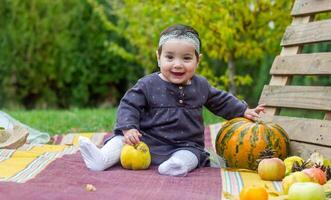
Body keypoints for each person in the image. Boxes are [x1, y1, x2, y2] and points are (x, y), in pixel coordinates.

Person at [79, 24, 265, 176]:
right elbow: (129, 105)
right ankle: (101, 159)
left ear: (197, 61)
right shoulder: (147, 84)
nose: (177, 64)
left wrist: (243, 111)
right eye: (169, 57)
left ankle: (176, 165)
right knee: (120, 141)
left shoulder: (201, 85)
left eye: (186, 58)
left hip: (184, 145)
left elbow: (221, 100)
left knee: (192, 155)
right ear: (158, 57)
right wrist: (129, 128)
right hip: (144, 144)